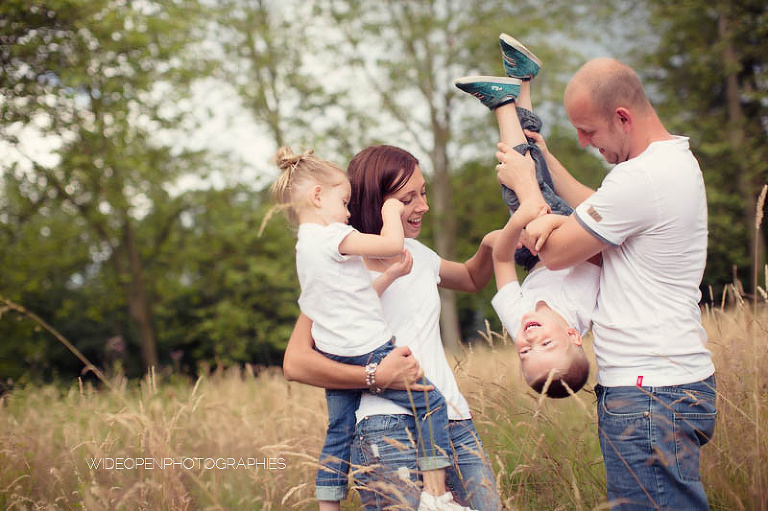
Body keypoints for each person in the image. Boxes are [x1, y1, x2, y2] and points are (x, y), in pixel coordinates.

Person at [497, 55, 717, 510]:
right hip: (666, 386)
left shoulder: (645, 176)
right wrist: (545, 158)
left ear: (622, 117)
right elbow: (601, 205)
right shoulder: (668, 162)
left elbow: (554, 254)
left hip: (649, 393)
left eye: (589, 131)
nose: (582, 141)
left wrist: (527, 184)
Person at [283, 144, 502, 510]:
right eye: (408, 198)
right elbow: (296, 363)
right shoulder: (337, 268)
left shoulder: (419, 255)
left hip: (453, 422)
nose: (423, 206)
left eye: (424, 192)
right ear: (378, 203)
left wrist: (491, 243)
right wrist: (376, 375)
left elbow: (469, 277)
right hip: (387, 430)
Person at [454, 36, 596, 397]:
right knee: (522, 192)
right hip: (570, 230)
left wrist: (517, 225)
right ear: (573, 336)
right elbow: (596, 245)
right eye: (546, 345)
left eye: (525, 353)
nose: (530, 339)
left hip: (526, 252)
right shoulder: (583, 306)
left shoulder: (517, 322)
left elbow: (500, 257)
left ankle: (522, 83)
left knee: (527, 199)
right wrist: (543, 220)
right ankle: (503, 102)